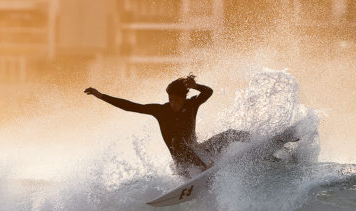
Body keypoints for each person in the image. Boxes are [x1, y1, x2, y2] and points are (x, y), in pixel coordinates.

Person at [84, 75, 249, 177]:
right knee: (177, 141)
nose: (172, 103)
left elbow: (208, 92)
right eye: (170, 99)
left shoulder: (191, 105)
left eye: (176, 100)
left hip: (198, 153)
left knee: (230, 134)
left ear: (184, 98)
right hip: (184, 165)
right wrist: (101, 96)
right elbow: (131, 106)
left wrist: (195, 86)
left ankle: (259, 139)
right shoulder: (161, 111)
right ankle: (204, 170)